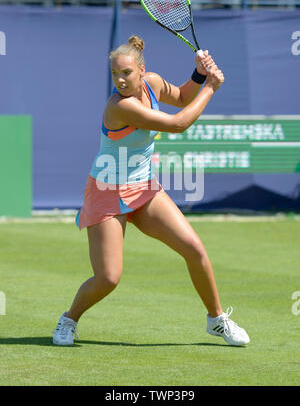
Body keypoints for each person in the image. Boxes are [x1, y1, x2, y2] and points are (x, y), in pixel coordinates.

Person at [53, 35, 250, 347]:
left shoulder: (153, 84)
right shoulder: (120, 107)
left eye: (127, 73)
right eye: (115, 74)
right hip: (106, 192)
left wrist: (199, 75)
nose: (120, 79)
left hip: (144, 188)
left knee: (194, 249)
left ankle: (216, 320)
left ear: (142, 71)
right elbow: (178, 124)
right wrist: (211, 87)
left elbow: (184, 98)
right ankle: (69, 320)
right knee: (108, 278)